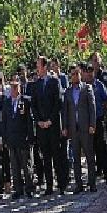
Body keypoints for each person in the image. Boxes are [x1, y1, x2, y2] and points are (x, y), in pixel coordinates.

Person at [31, 56, 66, 195]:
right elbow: (33, 105)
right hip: (41, 127)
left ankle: (61, 184)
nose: (37, 69)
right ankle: (49, 186)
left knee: (57, 156)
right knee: (45, 157)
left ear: (45, 67)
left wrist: (50, 120)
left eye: (38, 66)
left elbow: (58, 102)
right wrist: (39, 121)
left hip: (53, 125)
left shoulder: (54, 81)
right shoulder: (36, 84)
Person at [62, 65, 97, 193]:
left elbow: (92, 108)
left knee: (89, 157)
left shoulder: (87, 88)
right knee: (76, 158)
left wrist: (92, 125)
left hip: (85, 128)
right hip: (73, 129)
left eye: (76, 74)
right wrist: (65, 127)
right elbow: (65, 111)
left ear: (80, 74)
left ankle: (92, 183)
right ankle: (79, 184)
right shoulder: (68, 92)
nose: (75, 76)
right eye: (72, 74)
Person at [1, 75, 35, 199]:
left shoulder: (26, 101)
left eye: (16, 86)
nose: (15, 89)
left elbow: (29, 121)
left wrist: (31, 137)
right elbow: (3, 122)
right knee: (14, 166)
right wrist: (4, 139)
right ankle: (18, 189)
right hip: (11, 139)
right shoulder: (6, 103)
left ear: (20, 87)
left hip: (23, 138)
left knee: (26, 165)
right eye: (12, 87)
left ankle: (29, 188)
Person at [83, 63, 107, 185]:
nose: (89, 73)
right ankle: (92, 177)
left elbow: (106, 102)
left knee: (102, 149)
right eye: (86, 71)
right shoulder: (82, 87)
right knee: (90, 151)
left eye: (91, 71)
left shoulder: (99, 85)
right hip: (86, 123)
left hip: (98, 121)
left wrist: (102, 117)